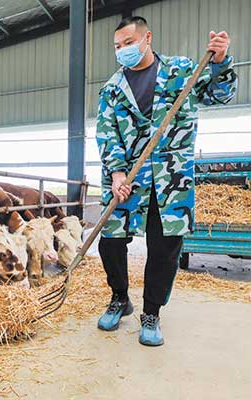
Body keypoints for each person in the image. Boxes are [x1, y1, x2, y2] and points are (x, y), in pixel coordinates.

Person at [95, 16, 237, 346]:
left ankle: (151, 313)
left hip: (169, 178)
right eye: (117, 46)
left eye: (128, 43)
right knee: (111, 241)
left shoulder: (181, 71)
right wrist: (116, 172)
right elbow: (106, 133)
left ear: (147, 38)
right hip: (126, 178)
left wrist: (219, 61)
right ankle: (120, 298)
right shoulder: (112, 89)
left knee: (164, 247)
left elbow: (219, 95)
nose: (122, 50)